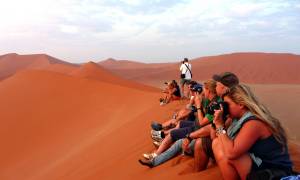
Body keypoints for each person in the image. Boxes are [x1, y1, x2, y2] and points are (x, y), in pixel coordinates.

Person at [212, 84, 293, 180]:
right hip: (261, 165)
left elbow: (231, 153)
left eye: (227, 104)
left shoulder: (254, 123)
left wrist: (219, 126)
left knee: (235, 155)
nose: (225, 108)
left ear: (241, 104)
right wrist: (219, 121)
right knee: (218, 143)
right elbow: (217, 139)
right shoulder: (237, 119)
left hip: (275, 172)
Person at [141, 80, 218, 163]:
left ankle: (155, 156)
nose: (191, 91)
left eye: (204, 90)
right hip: (195, 125)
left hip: (198, 129)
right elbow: (192, 109)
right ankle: (161, 137)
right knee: (180, 123)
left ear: (208, 90)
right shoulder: (207, 100)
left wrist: (198, 106)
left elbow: (202, 123)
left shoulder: (213, 104)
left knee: (176, 137)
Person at [192, 71, 240, 171]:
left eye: (217, 84)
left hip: (233, 148)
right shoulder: (223, 103)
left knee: (199, 143)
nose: (215, 86)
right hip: (224, 139)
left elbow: (215, 136)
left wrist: (218, 125)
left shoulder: (231, 105)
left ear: (224, 88)